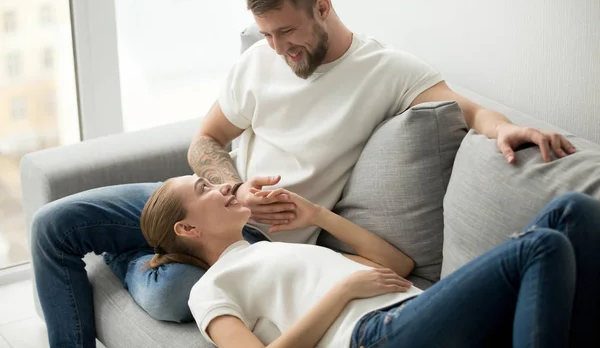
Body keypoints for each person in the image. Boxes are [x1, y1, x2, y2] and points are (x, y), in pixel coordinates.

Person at [30, 0, 576, 347]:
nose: (276, 49)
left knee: (172, 292)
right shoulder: (260, 61)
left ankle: (147, 254)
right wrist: (234, 187)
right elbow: (206, 140)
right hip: (211, 200)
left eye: (285, 32)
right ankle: (146, 246)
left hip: (258, 238)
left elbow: (469, 111)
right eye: (265, 35)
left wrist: (504, 129)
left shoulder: (386, 71)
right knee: (53, 226)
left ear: (322, 7)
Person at [141, 175, 600, 348]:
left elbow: (397, 264)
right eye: (205, 189)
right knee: (542, 247)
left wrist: (319, 215)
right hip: (372, 336)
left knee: (573, 211)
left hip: (421, 310)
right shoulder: (209, 288)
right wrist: (343, 291)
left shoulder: (272, 250)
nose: (224, 187)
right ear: (188, 230)